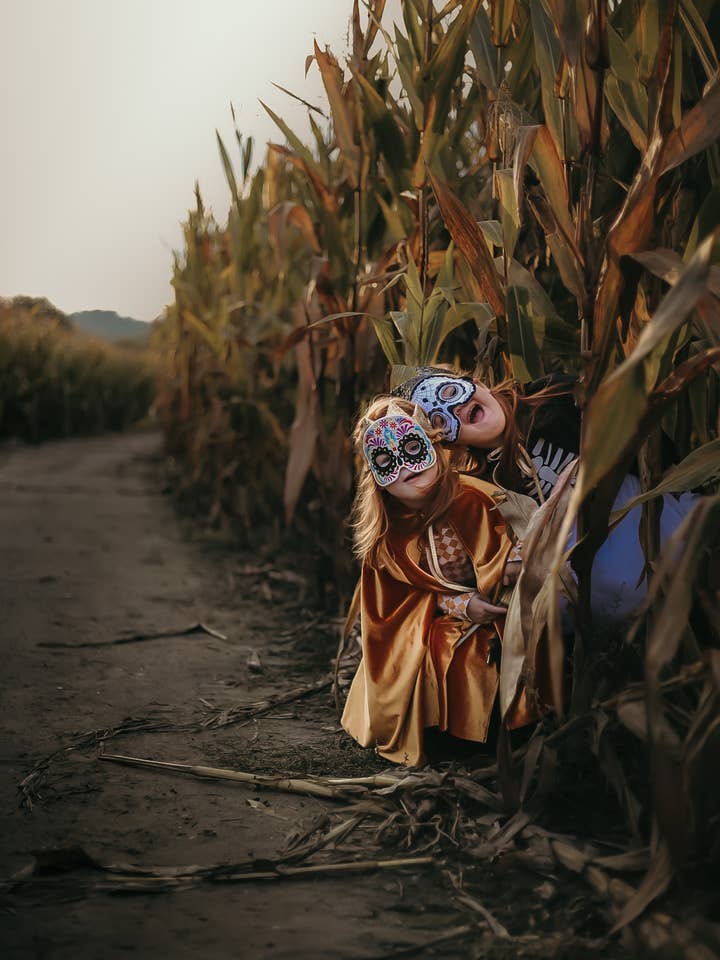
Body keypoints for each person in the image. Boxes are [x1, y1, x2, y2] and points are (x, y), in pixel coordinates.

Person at [393, 367, 695, 621]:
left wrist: (684, 484)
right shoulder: (484, 487)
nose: (455, 409)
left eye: (449, 393)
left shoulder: (558, 398)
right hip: (588, 585)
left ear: (477, 384)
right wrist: (464, 603)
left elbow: (647, 443)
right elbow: (453, 569)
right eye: (440, 420)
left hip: (651, 524)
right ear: (449, 443)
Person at [340, 395, 535, 766]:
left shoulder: (478, 498)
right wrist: (461, 605)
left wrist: (515, 561)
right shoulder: (387, 537)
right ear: (377, 480)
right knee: (441, 645)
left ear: (434, 445)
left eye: (413, 447)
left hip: (504, 615)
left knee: (486, 651)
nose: (404, 465)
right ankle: (445, 739)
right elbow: (398, 604)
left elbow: (525, 537)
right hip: (434, 626)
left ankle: (499, 734)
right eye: (386, 462)